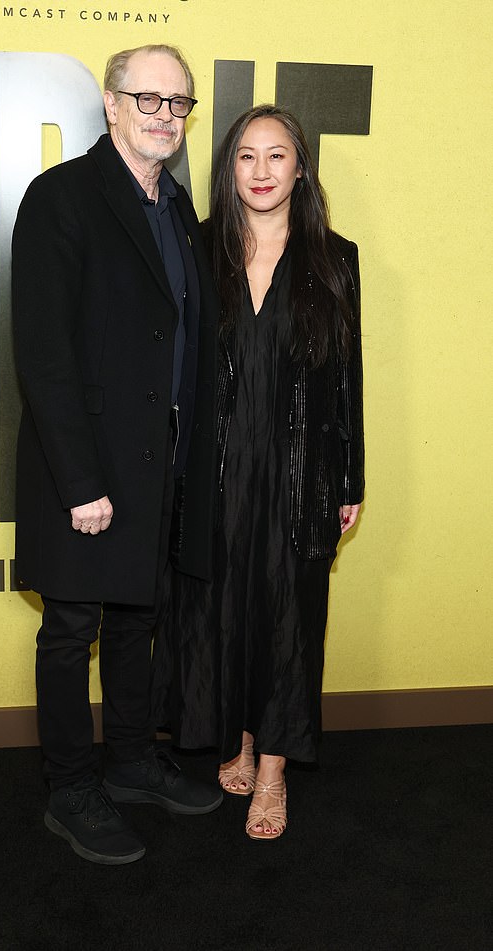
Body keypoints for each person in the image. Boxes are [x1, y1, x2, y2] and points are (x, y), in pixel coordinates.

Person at [11, 44, 222, 866]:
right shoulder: (61, 197)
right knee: (72, 628)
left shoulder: (178, 208)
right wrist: (80, 482)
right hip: (88, 468)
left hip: (157, 460)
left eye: (179, 103)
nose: (165, 116)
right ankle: (70, 789)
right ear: (111, 102)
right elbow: (43, 354)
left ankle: (132, 759)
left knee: (139, 617)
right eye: (148, 99)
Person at [153, 105, 364, 840]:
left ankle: (272, 770)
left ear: (300, 168)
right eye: (247, 156)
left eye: (278, 155)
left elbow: (348, 378)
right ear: (229, 168)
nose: (263, 170)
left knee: (287, 616)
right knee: (222, 608)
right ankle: (237, 738)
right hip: (216, 467)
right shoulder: (200, 247)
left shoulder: (336, 258)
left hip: (300, 468)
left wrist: (350, 479)